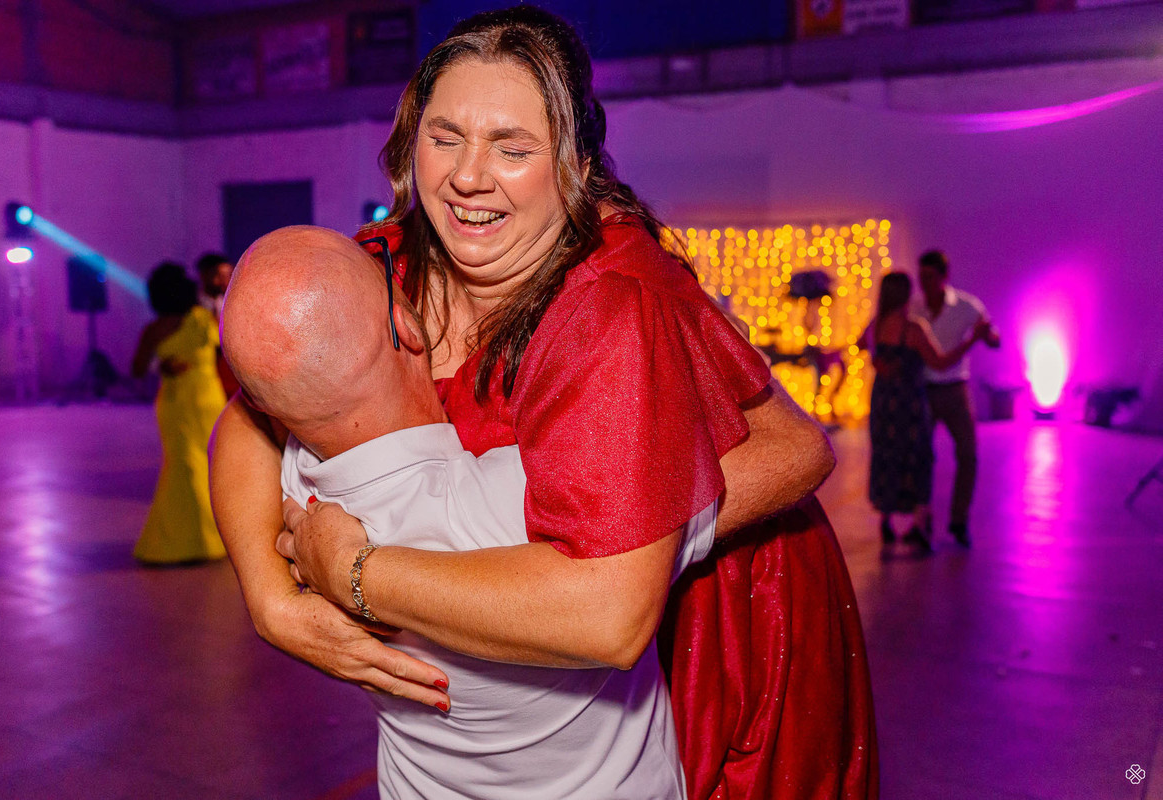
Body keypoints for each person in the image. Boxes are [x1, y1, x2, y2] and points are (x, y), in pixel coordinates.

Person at [210, 7, 877, 799]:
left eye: (512, 147)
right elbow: (255, 411)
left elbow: (796, 448)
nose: (467, 176)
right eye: (445, 136)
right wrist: (268, 596)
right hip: (501, 690)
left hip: (710, 617)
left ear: (574, 162)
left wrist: (616, 532)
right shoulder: (383, 265)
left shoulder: (618, 291)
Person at [221, 224, 714, 798]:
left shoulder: (292, 489)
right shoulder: (513, 495)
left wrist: (272, 596)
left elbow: (241, 418)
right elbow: (790, 454)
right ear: (407, 326)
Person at [864, 272, 986, 552]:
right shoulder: (914, 329)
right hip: (909, 404)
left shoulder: (876, 327)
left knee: (886, 455)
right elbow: (941, 363)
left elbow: (869, 353)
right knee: (919, 458)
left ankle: (886, 519)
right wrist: (970, 341)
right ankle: (919, 522)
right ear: (906, 295)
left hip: (883, 403)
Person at [131, 262, 227, 564]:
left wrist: (162, 366)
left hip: (178, 404)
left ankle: (180, 541)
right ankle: (211, 539)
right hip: (210, 400)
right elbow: (224, 351)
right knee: (207, 466)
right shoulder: (203, 319)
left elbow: (136, 369)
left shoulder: (155, 329)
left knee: (184, 467)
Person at [910, 249, 1001, 547]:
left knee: (967, 453)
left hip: (954, 388)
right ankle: (923, 519)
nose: (924, 283)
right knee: (922, 457)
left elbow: (992, 336)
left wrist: (988, 336)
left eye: (929, 277)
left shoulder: (967, 306)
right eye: (921, 277)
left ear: (944, 277)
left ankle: (959, 520)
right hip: (922, 389)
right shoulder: (914, 307)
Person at [195, 251, 240, 397]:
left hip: (229, 374)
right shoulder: (193, 306)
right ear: (203, 275)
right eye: (218, 275)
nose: (224, 281)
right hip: (201, 378)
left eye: (228, 275)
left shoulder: (233, 303)